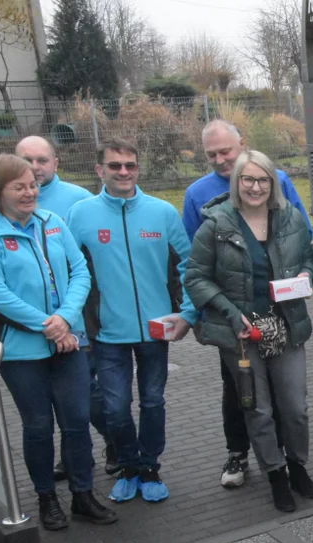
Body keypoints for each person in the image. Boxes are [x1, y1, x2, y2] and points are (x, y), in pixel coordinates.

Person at [0, 154, 117, 530]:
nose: (29, 192)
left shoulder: (52, 222)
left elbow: (79, 271)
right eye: (19, 187)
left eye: (33, 185)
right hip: (22, 353)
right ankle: (46, 498)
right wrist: (48, 326)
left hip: (68, 342)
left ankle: (83, 494)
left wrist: (65, 320)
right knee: (38, 426)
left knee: (76, 422)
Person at [185, 150, 313, 513]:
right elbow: (195, 277)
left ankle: (298, 466)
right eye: (248, 179)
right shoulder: (216, 224)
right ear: (237, 182)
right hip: (242, 335)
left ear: (273, 183)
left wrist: (308, 275)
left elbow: (311, 259)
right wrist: (230, 313)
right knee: (259, 410)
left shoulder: (290, 218)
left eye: (263, 180)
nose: (256, 187)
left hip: (287, 326)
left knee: (295, 407)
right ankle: (275, 474)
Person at [65, 138, 195, 504]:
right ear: (99, 170)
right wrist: (78, 326)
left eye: (130, 165)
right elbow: (70, 272)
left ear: (138, 168)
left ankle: (150, 466)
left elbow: (188, 267)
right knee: (115, 408)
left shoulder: (162, 213)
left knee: (153, 402)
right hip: (106, 334)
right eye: (115, 165)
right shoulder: (80, 215)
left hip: (155, 332)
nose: (123, 172)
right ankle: (127, 466)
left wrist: (186, 313)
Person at [15, 135, 117, 480]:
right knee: (49, 408)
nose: (35, 168)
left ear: (56, 163)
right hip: (32, 330)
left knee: (86, 397)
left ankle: (114, 441)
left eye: (42, 160)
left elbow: (87, 265)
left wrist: (70, 319)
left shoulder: (77, 200)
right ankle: (71, 463)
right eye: (26, 160)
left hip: (78, 322)